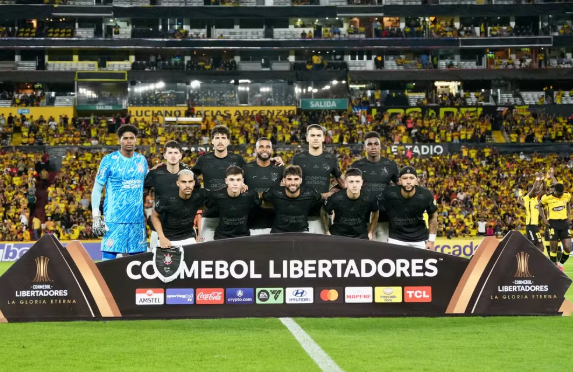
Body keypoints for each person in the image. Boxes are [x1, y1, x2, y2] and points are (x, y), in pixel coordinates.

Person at [91, 124, 148, 261]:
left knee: (139, 264)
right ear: (120, 141)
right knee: (108, 264)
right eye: (125, 138)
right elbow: (97, 189)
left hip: (136, 220)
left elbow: (148, 183)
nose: (129, 141)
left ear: (136, 140)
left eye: (132, 138)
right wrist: (96, 216)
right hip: (114, 220)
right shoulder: (109, 160)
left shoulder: (141, 160)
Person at [192, 126, 247, 242]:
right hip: (210, 215)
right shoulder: (203, 159)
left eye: (223, 138)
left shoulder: (237, 159)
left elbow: (251, 174)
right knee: (206, 253)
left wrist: (245, 184)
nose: (220, 141)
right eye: (217, 138)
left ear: (228, 141)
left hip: (233, 217)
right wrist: (199, 190)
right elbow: (189, 176)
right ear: (212, 141)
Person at [291, 124, 345, 234]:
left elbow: (344, 184)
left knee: (323, 249)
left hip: (323, 215)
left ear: (323, 138)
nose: (315, 138)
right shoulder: (298, 159)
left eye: (318, 135)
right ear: (307, 138)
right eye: (313, 135)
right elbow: (289, 183)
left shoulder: (331, 159)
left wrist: (333, 192)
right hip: (301, 214)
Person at [145, 141, 199, 250]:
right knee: (157, 263)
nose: (173, 156)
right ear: (164, 155)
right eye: (170, 153)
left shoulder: (188, 174)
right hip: (159, 229)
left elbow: (199, 196)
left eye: (175, 152)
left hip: (186, 231)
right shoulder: (155, 174)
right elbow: (141, 193)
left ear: (180, 155)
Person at [351, 131, 399, 242]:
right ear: (364, 147)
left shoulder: (391, 165)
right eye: (370, 144)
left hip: (384, 218)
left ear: (380, 146)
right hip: (362, 218)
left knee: (383, 252)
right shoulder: (356, 165)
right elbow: (348, 185)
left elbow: (400, 187)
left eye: (376, 144)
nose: (373, 146)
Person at [378, 166, 438, 249]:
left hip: (419, 240)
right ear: (399, 180)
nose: (408, 181)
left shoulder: (426, 195)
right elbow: (375, 208)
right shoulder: (389, 193)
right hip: (395, 239)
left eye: (411, 178)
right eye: (405, 178)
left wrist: (431, 240)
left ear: (416, 180)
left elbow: (433, 215)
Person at [151, 169, 209, 248]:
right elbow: (154, 216)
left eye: (190, 181)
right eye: (183, 182)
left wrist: (200, 235)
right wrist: (161, 237)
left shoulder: (201, 194)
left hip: (189, 238)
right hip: (167, 238)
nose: (187, 185)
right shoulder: (166, 198)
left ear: (194, 183)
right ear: (177, 183)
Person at [262, 165, 323, 234]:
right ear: (284, 180)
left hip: (302, 231)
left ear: (301, 180)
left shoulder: (310, 193)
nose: (293, 183)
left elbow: (320, 198)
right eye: (289, 179)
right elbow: (263, 199)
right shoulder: (274, 192)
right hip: (278, 230)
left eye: (296, 179)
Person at [206, 166, 261, 240]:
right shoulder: (216, 195)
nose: (235, 183)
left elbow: (258, 203)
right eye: (231, 180)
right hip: (222, 237)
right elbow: (208, 204)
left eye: (238, 180)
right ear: (226, 181)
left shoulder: (251, 195)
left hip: (243, 236)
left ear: (242, 181)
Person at [323, 168, 379, 240]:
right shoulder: (335, 198)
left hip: (361, 236)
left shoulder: (370, 198)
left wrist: (371, 232)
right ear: (345, 183)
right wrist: (327, 231)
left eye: (357, 181)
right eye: (351, 182)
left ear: (362, 182)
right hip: (338, 235)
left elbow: (376, 212)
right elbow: (323, 211)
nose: (354, 185)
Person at [243, 138, 284, 236]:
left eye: (268, 147)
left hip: (275, 226)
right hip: (250, 225)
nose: (264, 149)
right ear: (255, 150)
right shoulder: (245, 169)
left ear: (271, 150)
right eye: (261, 146)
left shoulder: (280, 169)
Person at [539, 183, 571, 271]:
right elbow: (539, 206)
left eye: (562, 193)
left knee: (568, 248)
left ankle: (560, 264)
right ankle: (553, 268)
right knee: (553, 248)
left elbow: (568, 203)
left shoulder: (567, 195)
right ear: (554, 191)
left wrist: (569, 214)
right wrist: (544, 219)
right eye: (559, 193)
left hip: (564, 223)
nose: (560, 195)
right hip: (552, 224)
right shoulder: (547, 197)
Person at [517, 173, 544, 251]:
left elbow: (541, 189)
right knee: (532, 243)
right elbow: (535, 188)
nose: (534, 192)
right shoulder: (527, 198)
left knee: (540, 245)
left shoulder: (536, 200)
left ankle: (538, 260)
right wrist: (537, 179)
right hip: (530, 225)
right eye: (530, 191)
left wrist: (543, 179)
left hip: (535, 226)